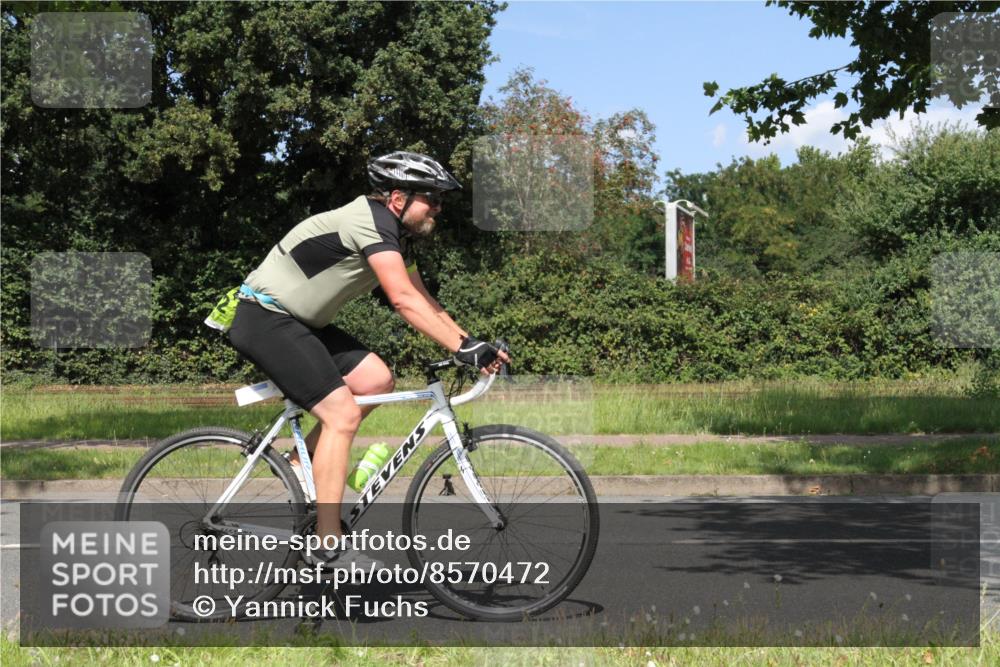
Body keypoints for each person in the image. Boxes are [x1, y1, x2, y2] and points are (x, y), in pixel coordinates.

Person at [227, 151, 509, 565]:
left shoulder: (395, 234)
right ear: (398, 198)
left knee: (376, 379)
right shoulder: (369, 222)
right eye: (432, 199)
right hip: (265, 317)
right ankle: (327, 545)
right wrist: (460, 347)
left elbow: (424, 300)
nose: (439, 208)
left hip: (301, 323)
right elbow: (401, 298)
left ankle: (299, 461)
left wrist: (471, 343)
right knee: (341, 414)